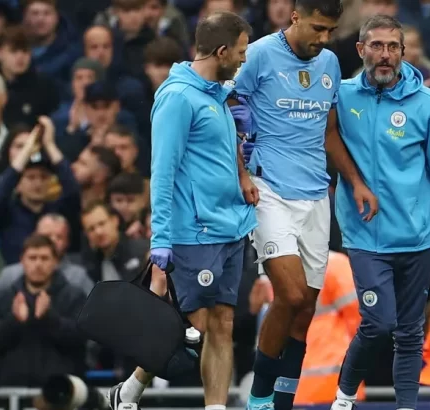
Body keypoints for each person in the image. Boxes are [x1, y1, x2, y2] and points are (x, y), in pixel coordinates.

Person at [107, 11, 258, 410]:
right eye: (240, 53)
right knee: (195, 325)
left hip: (231, 227)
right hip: (196, 229)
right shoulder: (177, 98)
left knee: (223, 323)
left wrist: (244, 165)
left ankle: (215, 408)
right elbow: (162, 170)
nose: (243, 60)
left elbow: (217, 159)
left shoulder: (219, 95)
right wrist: (160, 238)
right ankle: (132, 387)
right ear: (222, 51)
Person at [233, 2, 378, 410]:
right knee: (291, 295)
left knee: (305, 309)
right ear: (294, 17)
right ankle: (258, 401)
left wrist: (355, 181)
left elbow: (329, 130)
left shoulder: (329, 62)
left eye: (330, 30)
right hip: (268, 190)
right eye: (318, 28)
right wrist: (240, 171)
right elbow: (228, 110)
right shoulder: (259, 54)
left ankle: (282, 404)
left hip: (316, 194)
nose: (324, 39)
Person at [327, 15, 430, 410]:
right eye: (376, 46)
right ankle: (343, 399)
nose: (385, 55)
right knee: (378, 324)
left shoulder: (427, 102)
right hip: (365, 235)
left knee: (410, 333)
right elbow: (324, 140)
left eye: (393, 46)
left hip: (417, 237)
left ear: (403, 52)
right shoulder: (341, 95)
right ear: (361, 50)